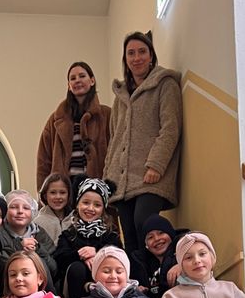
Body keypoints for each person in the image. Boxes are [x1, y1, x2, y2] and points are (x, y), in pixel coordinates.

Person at [104, 32, 182, 284]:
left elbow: (170, 128)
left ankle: (158, 281)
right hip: (121, 180)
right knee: (129, 234)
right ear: (125, 59)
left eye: (142, 52)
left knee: (146, 225)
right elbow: (115, 138)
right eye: (131, 53)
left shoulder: (164, 84)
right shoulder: (121, 96)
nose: (136, 58)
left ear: (151, 56)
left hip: (150, 174)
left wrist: (156, 165)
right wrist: (109, 177)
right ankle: (136, 286)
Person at [36, 60, 112, 192]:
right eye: (73, 78)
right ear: (68, 85)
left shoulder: (106, 115)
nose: (77, 80)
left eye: (82, 76)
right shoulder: (55, 119)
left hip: (96, 186)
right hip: (65, 187)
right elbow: (44, 159)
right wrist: (43, 191)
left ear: (92, 81)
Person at [54, 177, 123, 298]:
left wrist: (98, 253)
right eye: (86, 203)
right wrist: (81, 255)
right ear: (77, 204)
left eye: (97, 205)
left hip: (105, 288)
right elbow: (59, 258)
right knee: (77, 267)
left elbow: (121, 257)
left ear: (103, 208)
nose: (90, 208)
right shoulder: (69, 234)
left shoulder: (110, 235)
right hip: (75, 291)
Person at [73, 246, 164, 298]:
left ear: (127, 276)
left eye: (119, 272)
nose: (113, 276)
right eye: (106, 271)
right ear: (95, 276)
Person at [0, 189, 57, 285]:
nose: (20, 211)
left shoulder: (40, 234)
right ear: (5, 211)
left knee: (40, 262)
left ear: (33, 212)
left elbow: (54, 269)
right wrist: (18, 247)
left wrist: (38, 249)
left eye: (26, 208)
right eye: (14, 207)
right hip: (7, 286)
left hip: (39, 288)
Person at [141, 214, 183, 298]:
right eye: (150, 237)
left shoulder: (183, 254)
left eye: (161, 233)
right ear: (146, 245)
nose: (156, 239)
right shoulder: (143, 265)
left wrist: (184, 265)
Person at [33, 172, 73, 245]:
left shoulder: (75, 221)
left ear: (69, 194)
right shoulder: (37, 223)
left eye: (62, 192)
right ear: (45, 195)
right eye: (53, 192)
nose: (58, 197)